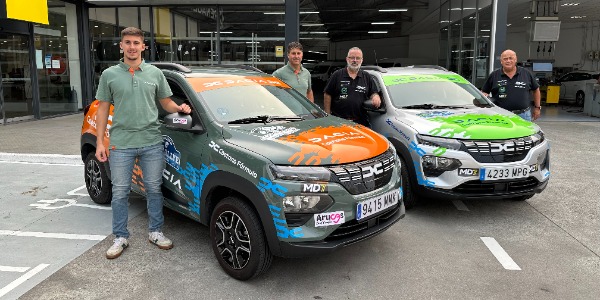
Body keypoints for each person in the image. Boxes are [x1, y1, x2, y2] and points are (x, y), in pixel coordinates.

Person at [95, 27, 192, 259]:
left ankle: (155, 232)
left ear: (143, 46)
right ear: (121, 46)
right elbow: (102, 109)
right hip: (121, 142)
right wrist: (100, 142)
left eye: (136, 43)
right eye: (127, 42)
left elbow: (166, 102)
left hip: (151, 141)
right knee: (119, 192)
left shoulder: (154, 73)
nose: (131, 47)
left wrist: (179, 108)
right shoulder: (110, 74)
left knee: (153, 189)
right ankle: (120, 236)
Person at [323, 47, 381, 127]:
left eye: (358, 58)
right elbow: (327, 94)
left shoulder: (367, 77)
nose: (355, 60)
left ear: (362, 60)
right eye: (352, 58)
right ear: (347, 59)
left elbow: (373, 92)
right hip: (338, 121)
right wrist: (327, 115)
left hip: (360, 122)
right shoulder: (337, 75)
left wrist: (376, 96)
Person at [481, 49, 541, 121]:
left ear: (515, 60)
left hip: (523, 116)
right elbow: (484, 92)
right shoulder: (494, 75)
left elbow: (536, 90)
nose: (508, 61)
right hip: (501, 115)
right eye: (505, 59)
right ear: (501, 61)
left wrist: (537, 108)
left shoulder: (526, 73)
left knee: (525, 133)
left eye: (510, 58)